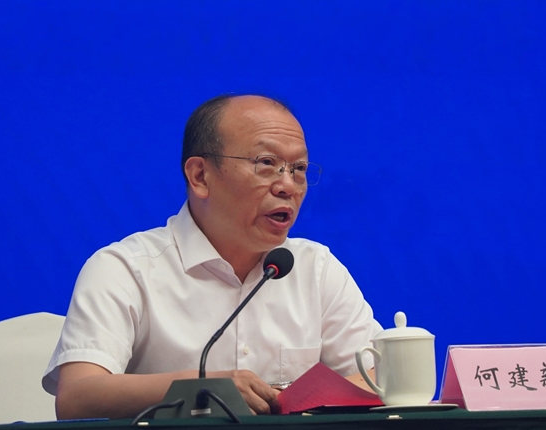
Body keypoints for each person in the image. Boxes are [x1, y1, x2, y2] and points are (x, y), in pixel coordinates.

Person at [42, 94, 383, 419]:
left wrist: (292, 398)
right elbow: (77, 396)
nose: (288, 186)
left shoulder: (315, 269)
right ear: (200, 176)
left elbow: (381, 375)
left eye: (299, 168)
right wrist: (201, 388)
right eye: (267, 164)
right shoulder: (126, 269)